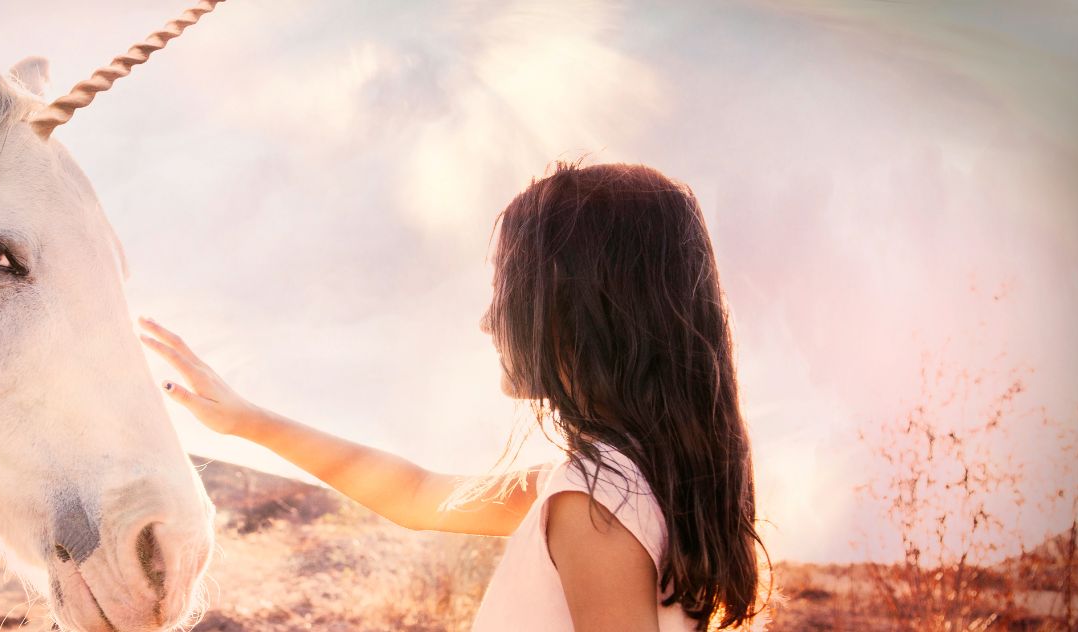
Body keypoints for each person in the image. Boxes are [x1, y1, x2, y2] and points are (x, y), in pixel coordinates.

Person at [139, 160, 765, 631]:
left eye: (510, 293)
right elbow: (416, 494)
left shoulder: (597, 502)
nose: (489, 321)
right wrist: (249, 421)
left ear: (582, 310)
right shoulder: (623, 486)